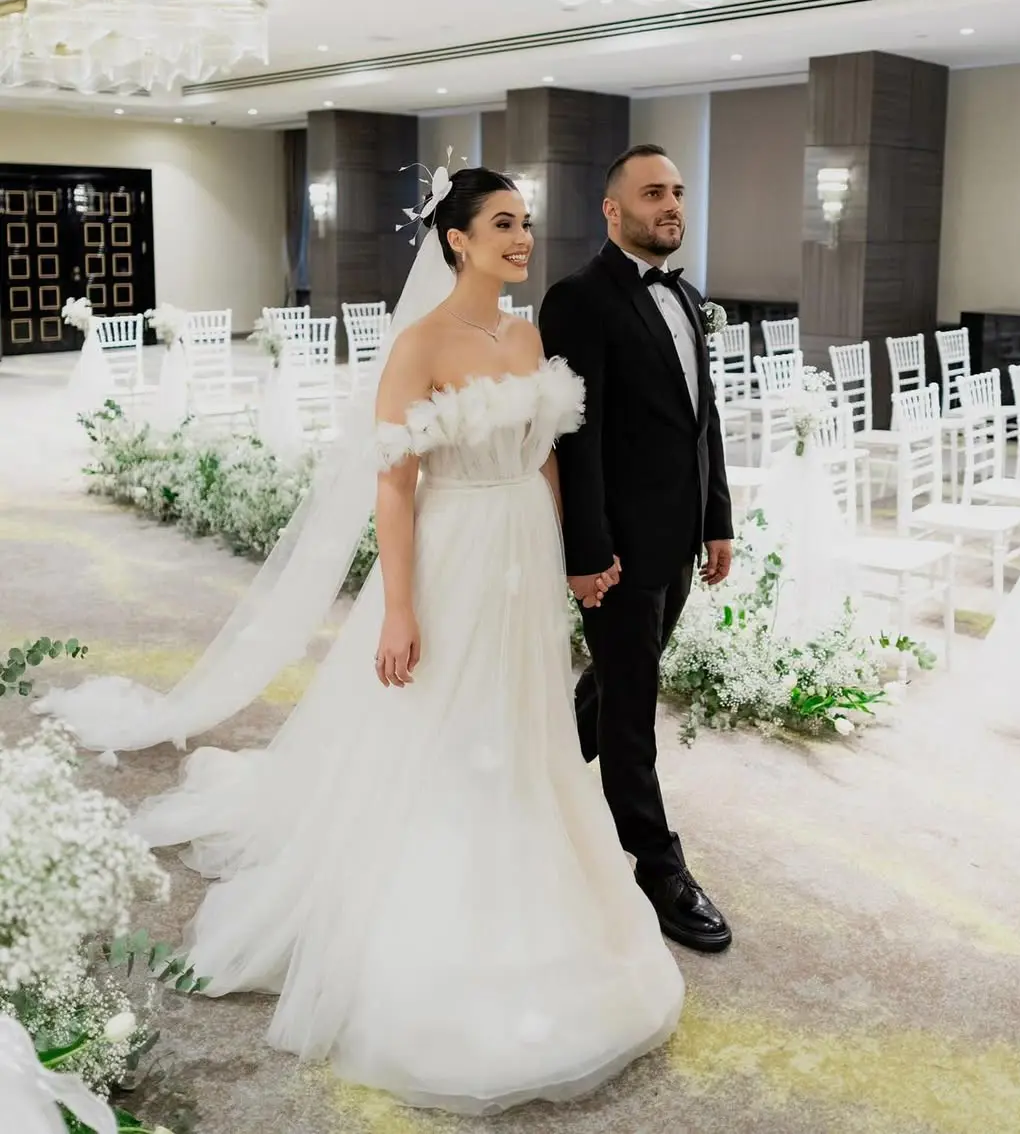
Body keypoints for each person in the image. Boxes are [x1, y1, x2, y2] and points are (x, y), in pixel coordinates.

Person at [39, 167, 684, 1116]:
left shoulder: (525, 335)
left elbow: (549, 453)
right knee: (446, 724)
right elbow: (394, 483)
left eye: (526, 223)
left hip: (523, 549)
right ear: (457, 240)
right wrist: (398, 609)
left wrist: (570, 554)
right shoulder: (419, 345)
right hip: (456, 550)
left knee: (523, 719)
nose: (522, 239)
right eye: (503, 224)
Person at [539, 143, 735, 954]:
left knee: (618, 681)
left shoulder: (686, 296)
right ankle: (658, 867)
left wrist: (717, 519)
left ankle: (534, 772)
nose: (672, 204)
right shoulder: (578, 299)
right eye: (653, 192)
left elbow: (702, 418)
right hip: (618, 552)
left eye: (678, 191)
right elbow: (575, 437)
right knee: (631, 712)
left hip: (678, 539)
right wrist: (586, 552)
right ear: (613, 209)